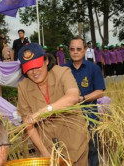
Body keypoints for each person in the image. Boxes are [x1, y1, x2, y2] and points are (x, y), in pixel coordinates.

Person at [17, 43, 90, 166]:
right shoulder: (23, 86)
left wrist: (43, 112)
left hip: (74, 144)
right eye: (29, 68)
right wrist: (45, 153)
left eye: (37, 66)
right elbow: (28, 124)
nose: (34, 72)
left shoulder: (62, 73)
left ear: (46, 61)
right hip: (46, 146)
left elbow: (73, 96)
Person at [64, 37, 106, 166]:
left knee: (92, 150)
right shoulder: (62, 70)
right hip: (68, 118)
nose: (75, 52)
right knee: (70, 151)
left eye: (79, 49)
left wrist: (82, 99)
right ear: (69, 51)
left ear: (85, 50)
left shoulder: (93, 68)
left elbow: (100, 92)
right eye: (72, 49)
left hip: (90, 116)